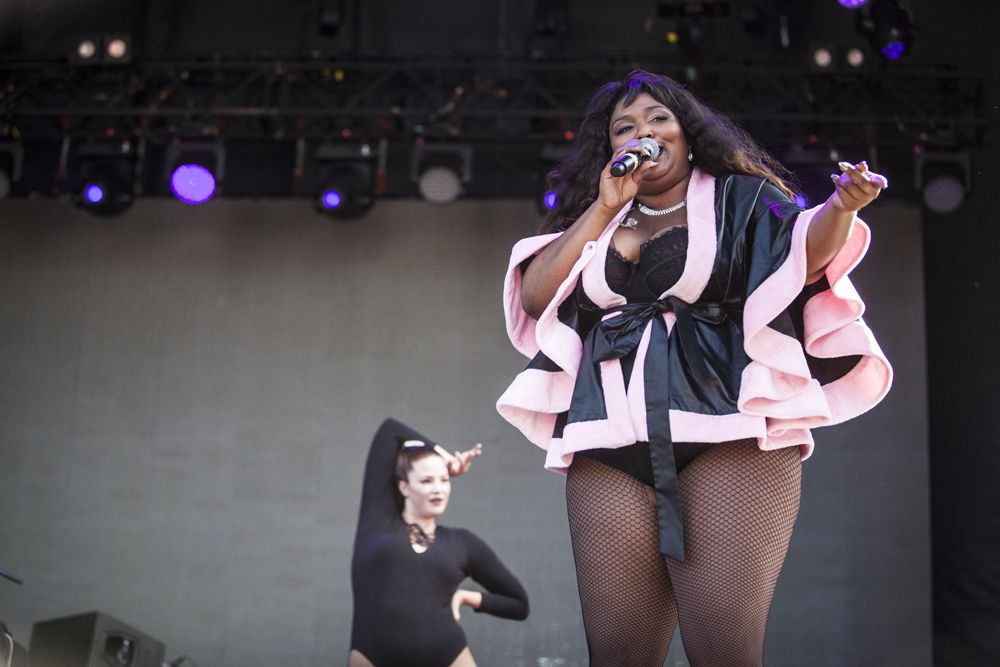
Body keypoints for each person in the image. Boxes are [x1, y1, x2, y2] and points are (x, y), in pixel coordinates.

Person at [497, 70, 893, 667]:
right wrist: (605, 207)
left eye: (658, 118)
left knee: (724, 652)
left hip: (728, 428)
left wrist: (841, 205)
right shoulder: (600, 213)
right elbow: (534, 296)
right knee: (618, 655)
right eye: (623, 127)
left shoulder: (742, 197)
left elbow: (803, 252)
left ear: (687, 133)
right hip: (609, 432)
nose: (643, 132)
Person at [349, 418, 529, 667]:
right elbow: (390, 430)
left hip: (447, 655)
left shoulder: (462, 543)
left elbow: (519, 604)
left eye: (445, 480)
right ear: (403, 487)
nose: (438, 489)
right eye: (427, 481)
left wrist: (467, 597)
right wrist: (446, 458)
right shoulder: (378, 522)